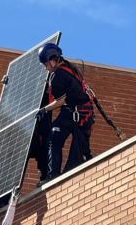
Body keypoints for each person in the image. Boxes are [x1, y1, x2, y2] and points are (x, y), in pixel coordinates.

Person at [36, 43, 95, 182]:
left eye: (46, 64)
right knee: (74, 152)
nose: (46, 68)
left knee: (54, 139)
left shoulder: (58, 76)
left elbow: (61, 100)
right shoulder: (68, 66)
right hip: (83, 113)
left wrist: (44, 109)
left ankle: (53, 178)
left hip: (76, 114)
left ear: (53, 58)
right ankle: (57, 178)